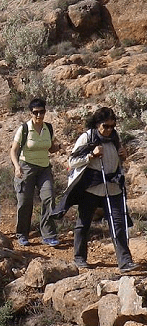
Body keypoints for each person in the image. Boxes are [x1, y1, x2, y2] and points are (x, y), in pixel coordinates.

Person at [52, 107, 140, 272]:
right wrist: (90, 155)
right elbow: (72, 161)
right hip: (91, 187)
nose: (109, 130)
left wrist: (123, 155)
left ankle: (125, 262)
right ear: (97, 124)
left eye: (112, 126)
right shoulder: (87, 137)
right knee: (84, 223)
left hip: (113, 187)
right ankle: (79, 257)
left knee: (118, 224)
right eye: (105, 126)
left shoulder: (114, 138)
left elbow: (117, 162)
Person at [11, 98, 60, 246]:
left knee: (48, 197)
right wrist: (17, 167)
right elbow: (13, 150)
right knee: (25, 201)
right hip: (26, 167)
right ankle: (22, 234)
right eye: (36, 113)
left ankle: (48, 234)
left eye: (42, 112)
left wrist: (58, 147)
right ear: (30, 113)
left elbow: (50, 147)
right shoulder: (24, 129)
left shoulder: (48, 128)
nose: (39, 115)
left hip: (44, 168)